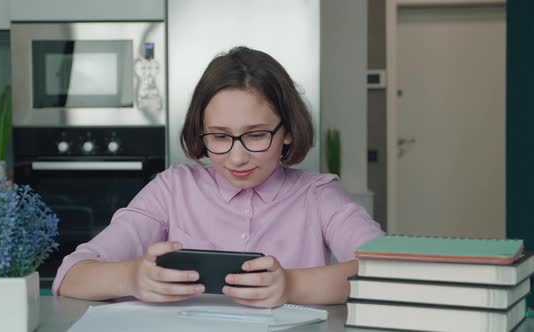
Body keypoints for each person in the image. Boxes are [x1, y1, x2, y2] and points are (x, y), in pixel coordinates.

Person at [53, 46, 383, 308]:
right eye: (220, 137)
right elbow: (71, 276)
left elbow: (388, 273)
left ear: (288, 132)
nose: (237, 158)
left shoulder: (318, 194)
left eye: (256, 135)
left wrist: (292, 285)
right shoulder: (172, 190)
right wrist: (131, 277)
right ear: (201, 133)